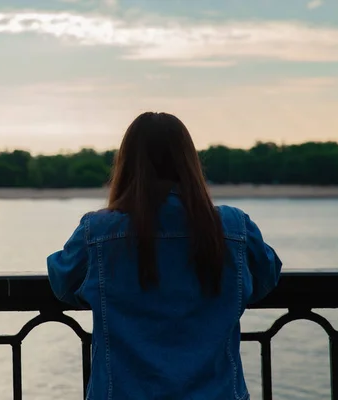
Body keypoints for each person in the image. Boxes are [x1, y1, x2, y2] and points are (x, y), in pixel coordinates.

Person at [47, 112, 282, 400]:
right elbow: (266, 276)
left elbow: (63, 281)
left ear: (127, 165)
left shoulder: (98, 232)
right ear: (189, 162)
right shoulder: (233, 228)